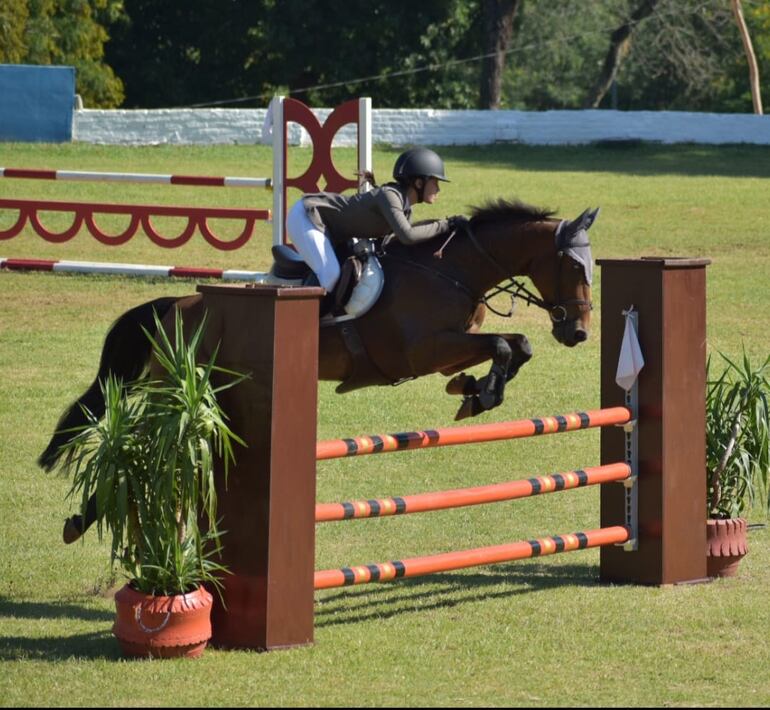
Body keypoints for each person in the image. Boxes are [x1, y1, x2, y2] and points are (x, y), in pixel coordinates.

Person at [285, 147, 463, 296]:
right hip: (307, 215)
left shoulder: (405, 207)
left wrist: (448, 228)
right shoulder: (389, 196)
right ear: (418, 182)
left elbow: (407, 237)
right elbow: (408, 235)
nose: (438, 188)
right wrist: (446, 224)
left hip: (331, 230)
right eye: (435, 182)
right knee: (331, 275)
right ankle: (305, 325)